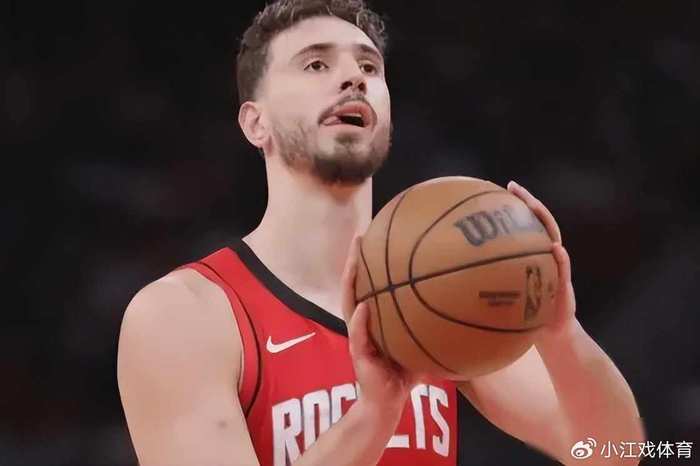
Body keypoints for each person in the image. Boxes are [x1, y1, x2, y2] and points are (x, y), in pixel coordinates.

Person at [116, 1, 645, 465]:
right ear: (256, 123)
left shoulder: (441, 293)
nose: (354, 78)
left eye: (369, 66)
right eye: (317, 64)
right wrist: (373, 415)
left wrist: (560, 334)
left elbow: (613, 453)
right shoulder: (183, 314)